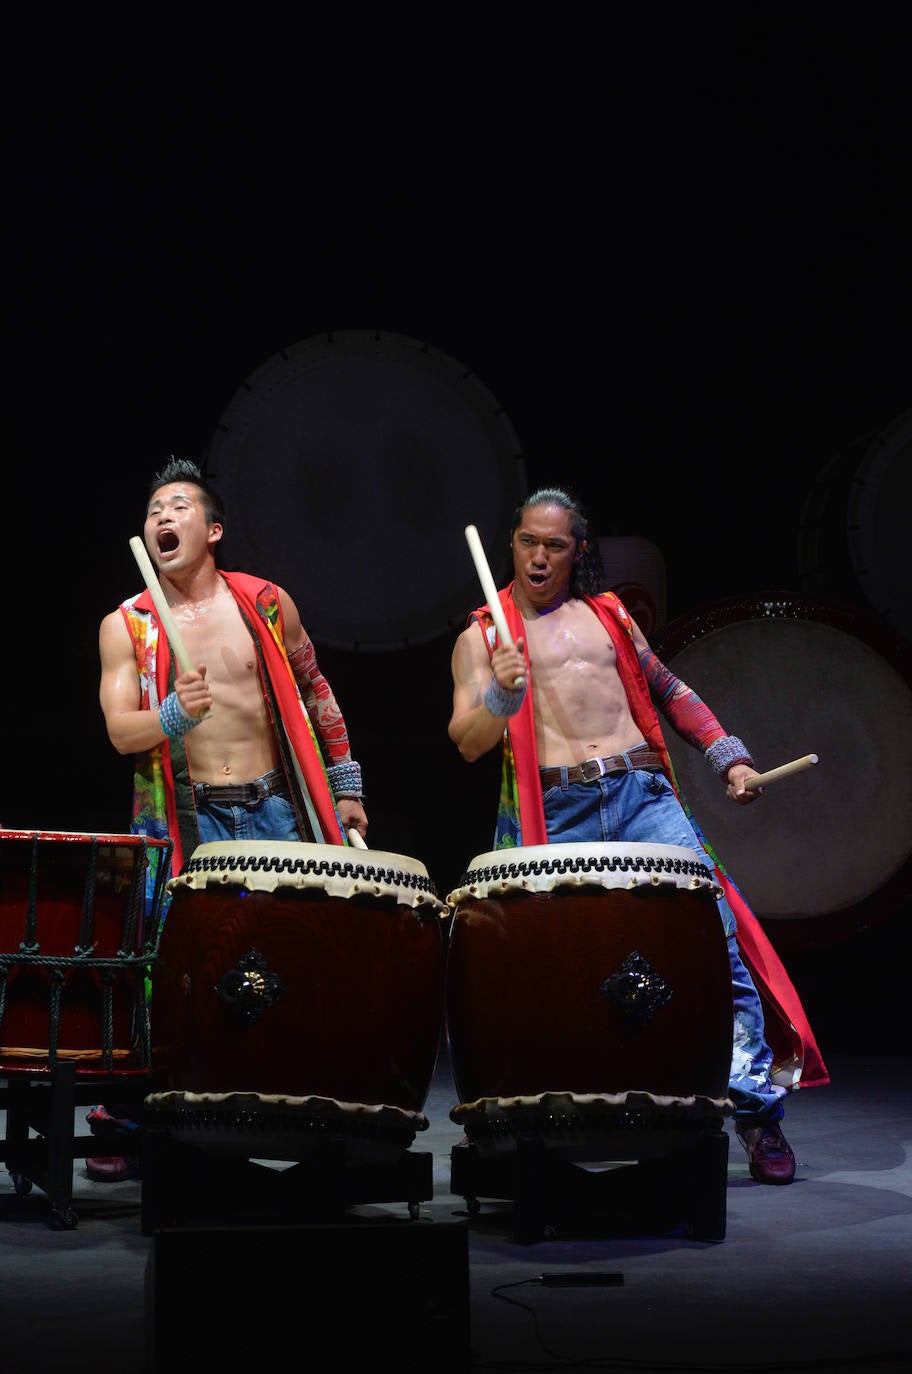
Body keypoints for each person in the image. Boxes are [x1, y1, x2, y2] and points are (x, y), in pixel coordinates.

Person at [448, 485, 829, 1185]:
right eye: (527, 541)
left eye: (554, 545)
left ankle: (756, 1115)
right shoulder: (484, 632)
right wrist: (502, 693)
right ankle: (520, 1116)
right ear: (513, 543)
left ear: (577, 551)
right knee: (537, 965)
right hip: (555, 811)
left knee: (715, 949)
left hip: (642, 795)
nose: (538, 556)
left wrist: (728, 758)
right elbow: (468, 740)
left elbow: (667, 687)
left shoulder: (608, 614)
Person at [88, 456, 368, 1179]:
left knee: (300, 956)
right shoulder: (129, 626)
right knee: (180, 970)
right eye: (153, 511)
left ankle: (305, 1105)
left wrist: (346, 786)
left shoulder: (267, 604)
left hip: (275, 806)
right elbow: (123, 732)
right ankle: (154, 1116)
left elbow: (317, 691)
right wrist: (174, 713)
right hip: (189, 820)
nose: (161, 519)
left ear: (212, 529)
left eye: (177, 507)